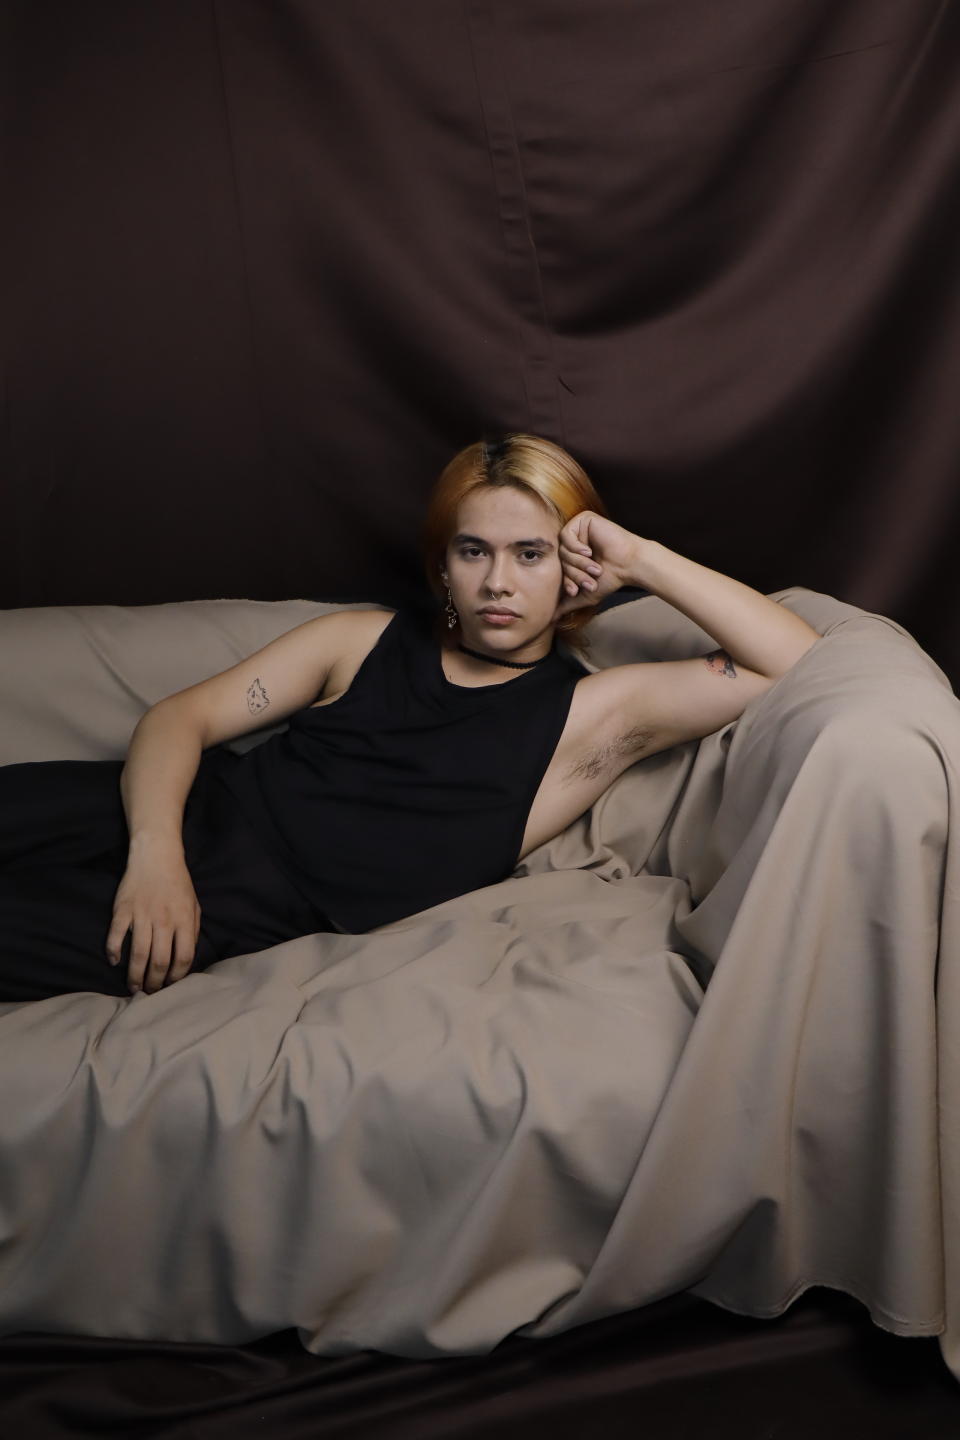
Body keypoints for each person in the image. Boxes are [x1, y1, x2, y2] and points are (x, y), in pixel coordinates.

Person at [0, 435, 819, 1002]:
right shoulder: (361, 642)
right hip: (151, 813)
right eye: (474, 550)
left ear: (573, 566)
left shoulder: (590, 717)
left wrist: (638, 559)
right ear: (444, 567)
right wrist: (156, 857)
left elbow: (795, 660)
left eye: (530, 553)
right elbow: (179, 719)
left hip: (230, 909)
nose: (498, 582)